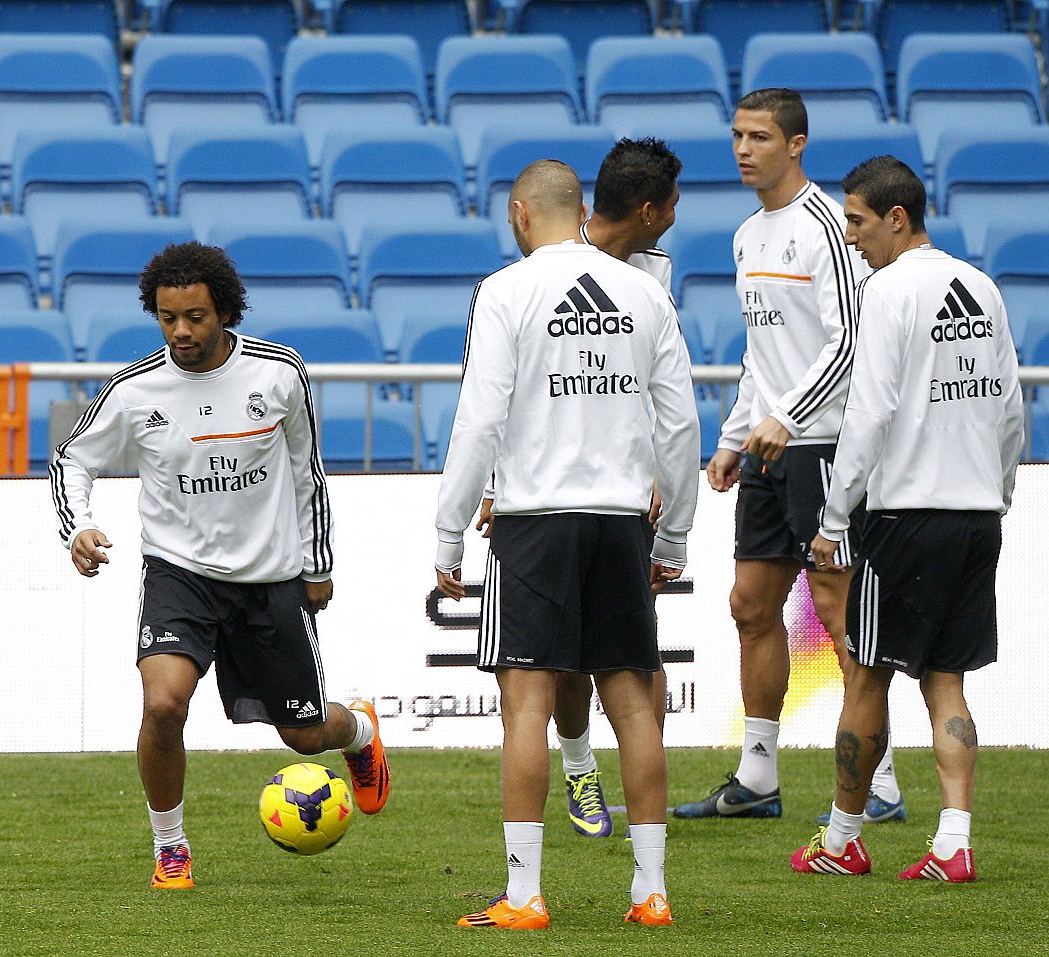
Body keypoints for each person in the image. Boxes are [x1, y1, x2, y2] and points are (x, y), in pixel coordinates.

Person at [49, 241, 390, 890]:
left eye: (196, 317)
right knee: (164, 703)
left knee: (307, 735)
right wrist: (79, 526)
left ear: (224, 311)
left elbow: (307, 474)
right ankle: (170, 846)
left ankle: (360, 730)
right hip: (179, 573)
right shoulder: (134, 388)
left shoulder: (279, 372)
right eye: (168, 316)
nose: (181, 331)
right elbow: (72, 459)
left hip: (269, 578)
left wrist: (318, 563)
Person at [437, 160, 699, 929]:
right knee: (634, 702)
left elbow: (479, 417)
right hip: (622, 517)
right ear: (579, 208)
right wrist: (675, 529)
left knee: (525, 701)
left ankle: (525, 896)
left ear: (520, 214)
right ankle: (650, 893)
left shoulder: (505, 290)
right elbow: (679, 423)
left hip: (535, 518)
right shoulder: (644, 290)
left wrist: (449, 530)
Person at [789, 155, 1022, 881]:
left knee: (865, 674)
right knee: (946, 679)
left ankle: (841, 838)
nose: (850, 236)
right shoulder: (981, 285)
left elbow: (870, 412)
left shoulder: (888, 291)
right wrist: (1000, 491)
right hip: (977, 511)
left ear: (896, 217)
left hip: (907, 514)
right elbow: (1011, 408)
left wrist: (831, 520)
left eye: (857, 220)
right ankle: (954, 842)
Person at [676, 88, 905, 822]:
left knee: (839, 612)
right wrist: (734, 437)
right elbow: (759, 353)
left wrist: (787, 416)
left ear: (797, 145)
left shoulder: (824, 229)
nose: (744, 149)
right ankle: (759, 778)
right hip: (770, 450)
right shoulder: (748, 235)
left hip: (821, 445)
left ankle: (882, 783)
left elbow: (849, 340)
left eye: (761, 137)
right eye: (738, 135)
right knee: (750, 605)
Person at [476, 137, 684, 841]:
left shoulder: (651, 276)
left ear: (521, 213)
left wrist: (660, 481)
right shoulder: (550, 281)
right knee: (588, 678)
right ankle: (581, 770)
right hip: (580, 496)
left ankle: (529, 886)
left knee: (581, 681)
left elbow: (647, 395)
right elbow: (529, 392)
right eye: (673, 206)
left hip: (594, 496)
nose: (677, 219)